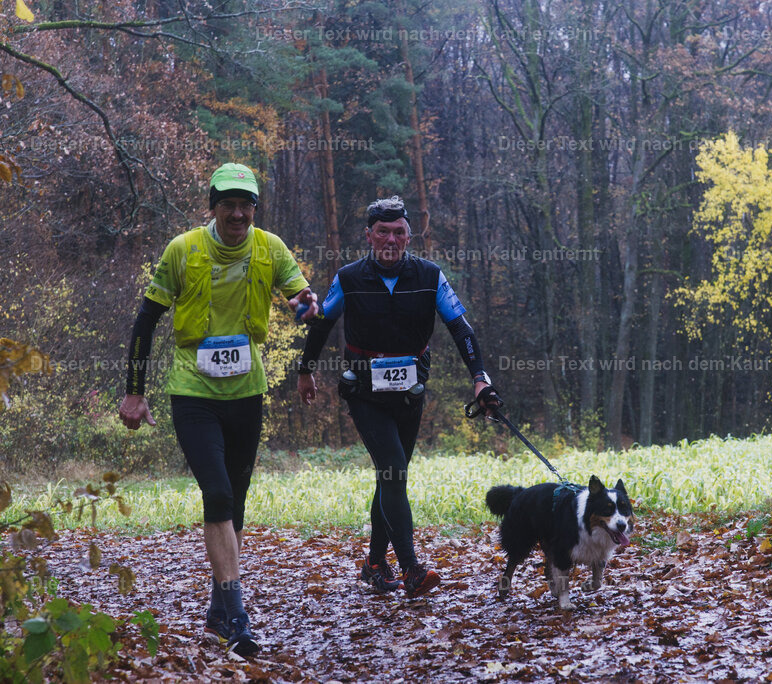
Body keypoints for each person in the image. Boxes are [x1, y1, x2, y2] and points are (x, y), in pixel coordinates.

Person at [118, 163, 318, 656]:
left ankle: (216, 608)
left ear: (254, 208)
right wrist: (134, 391)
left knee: (236, 501)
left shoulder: (269, 247)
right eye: (227, 203)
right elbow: (146, 321)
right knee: (218, 492)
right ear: (212, 206)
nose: (237, 212)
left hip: (247, 391)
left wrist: (306, 305)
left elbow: (300, 296)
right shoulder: (183, 249)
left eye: (245, 203)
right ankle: (238, 616)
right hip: (193, 392)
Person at [297, 195, 501, 598]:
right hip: (364, 391)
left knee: (390, 477)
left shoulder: (429, 275)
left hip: (410, 392)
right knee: (393, 469)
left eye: (399, 232)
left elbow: (461, 329)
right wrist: (305, 371)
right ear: (369, 236)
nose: (391, 239)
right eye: (383, 232)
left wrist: (480, 378)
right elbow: (321, 324)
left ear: (410, 236)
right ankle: (410, 567)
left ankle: (374, 564)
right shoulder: (350, 277)